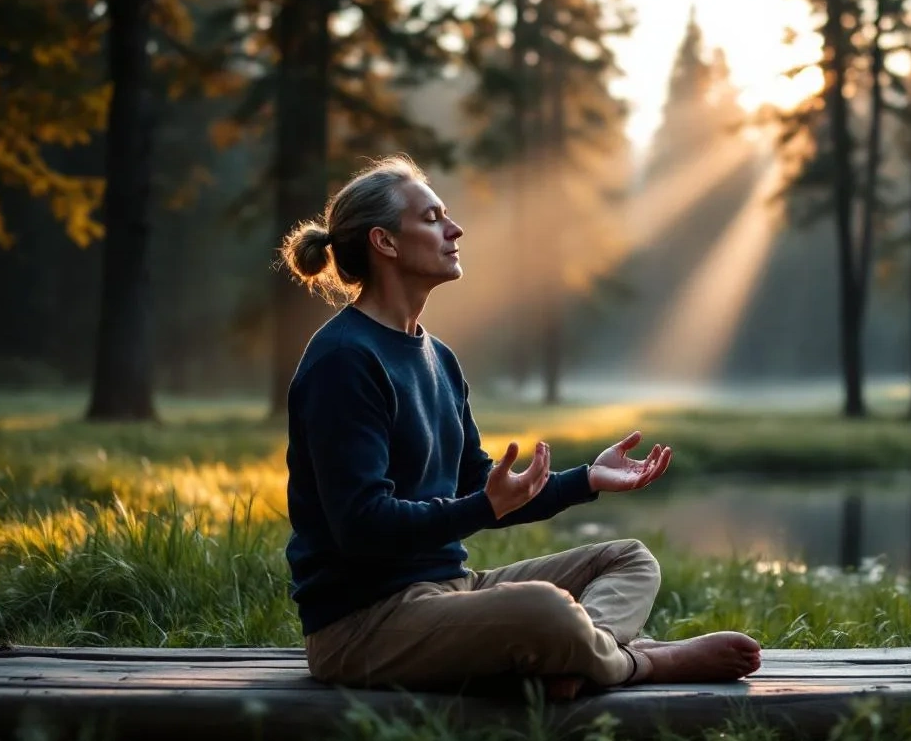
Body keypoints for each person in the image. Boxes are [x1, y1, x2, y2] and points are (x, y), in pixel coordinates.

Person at [279, 155, 761, 699]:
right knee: (542, 609)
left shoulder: (438, 357)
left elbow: (479, 485)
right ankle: (639, 663)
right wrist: (482, 508)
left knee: (629, 558)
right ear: (384, 243)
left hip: (449, 591)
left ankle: (577, 658)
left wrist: (587, 480)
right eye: (433, 217)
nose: (454, 229)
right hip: (363, 626)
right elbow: (362, 525)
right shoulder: (344, 361)